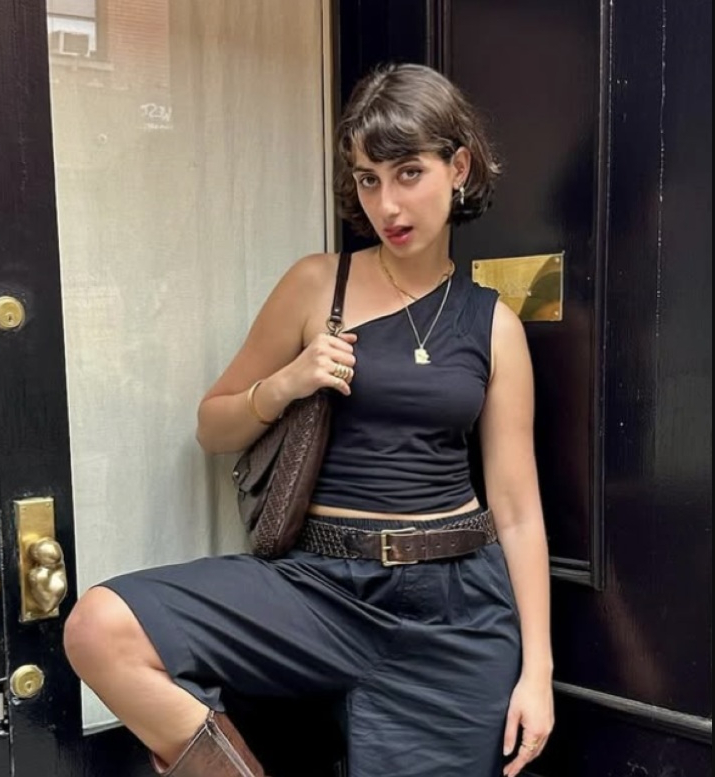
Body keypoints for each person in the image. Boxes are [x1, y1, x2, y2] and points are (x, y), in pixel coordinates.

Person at [63, 61, 555, 777]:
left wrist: (537, 672)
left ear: (458, 168)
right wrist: (286, 383)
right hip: (317, 586)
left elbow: (517, 511)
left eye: (408, 173)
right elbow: (212, 427)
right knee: (101, 627)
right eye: (368, 179)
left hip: (454, 613)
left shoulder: (494, 326)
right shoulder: (318, 283)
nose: (388, 204)